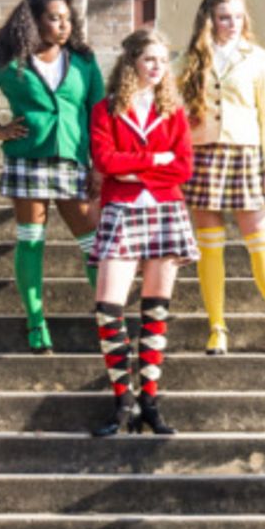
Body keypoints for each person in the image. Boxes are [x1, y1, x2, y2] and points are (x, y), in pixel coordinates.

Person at [0, 0, 104, 353]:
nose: (63, 26)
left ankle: (108, 315)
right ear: (35, 21)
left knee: (93, 243)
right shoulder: (11, 62)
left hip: (73, 162)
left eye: (67, 19)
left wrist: (99, 165)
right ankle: (36, 323)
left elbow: (98, 113)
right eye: (54, 19)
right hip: (27, 161)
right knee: (31, 241)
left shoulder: (84, 62)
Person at [177, 0, 265, 357]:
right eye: (224, 17)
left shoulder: (259, 59)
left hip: (245, 155)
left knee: (261, 242)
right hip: (202, 155)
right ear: (210, 20)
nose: (232, 24)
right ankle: (217, 327)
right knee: (210, 247)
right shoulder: (189, 59)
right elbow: (175, 114)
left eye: (238, 17)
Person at [88, 28, 196, 437]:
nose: (157, 67)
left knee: (155, 309)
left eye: (163, 60)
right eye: (150, 58)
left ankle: (149, 402)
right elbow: (105, 159)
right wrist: (154, 158)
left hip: (167, 209)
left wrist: (134, 166)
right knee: (108, 307)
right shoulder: (106, 110)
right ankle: (123, 401)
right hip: (122, 210)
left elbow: (183, 167)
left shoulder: (175, 111)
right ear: (131, 61)